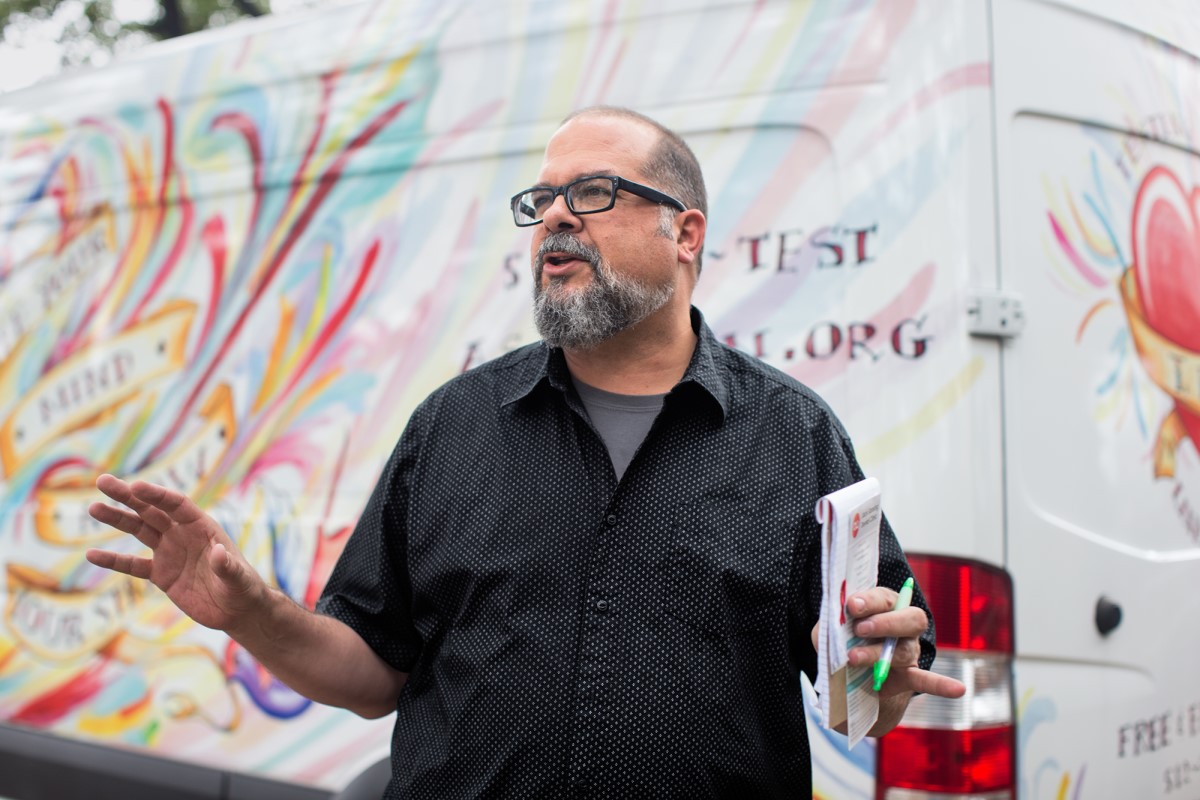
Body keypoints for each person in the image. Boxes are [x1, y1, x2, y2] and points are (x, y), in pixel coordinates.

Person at [86, 106, 965, 798]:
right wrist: (251, 612)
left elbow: (868, 699)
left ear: (685, 235)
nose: (551, 218)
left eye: (590, 193)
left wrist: (882, 673)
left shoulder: (795, 438)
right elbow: (370, 675)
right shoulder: (454, 426)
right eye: (540, 200)